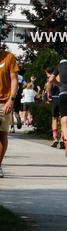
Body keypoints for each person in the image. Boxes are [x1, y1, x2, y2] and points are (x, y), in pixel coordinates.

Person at [0, 46, 20, 178]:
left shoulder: (9, 57)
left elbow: (14, 80)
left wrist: (11, 100)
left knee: (2, 136)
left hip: (3, 103)